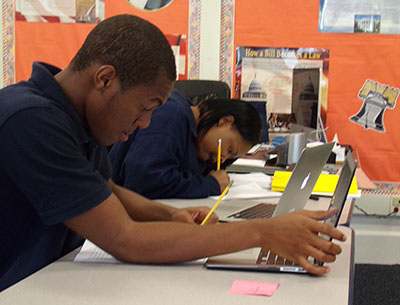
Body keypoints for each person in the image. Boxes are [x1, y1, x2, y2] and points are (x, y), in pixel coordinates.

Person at [0, 14, 345, 291]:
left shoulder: (76, 119)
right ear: (104, 79)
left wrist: (166, 216)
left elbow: (105, 188)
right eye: (144, 107)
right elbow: (126, 239)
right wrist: (264, 233)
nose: (147, 124)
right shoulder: (32, 120)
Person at [109, 89, 261, 199]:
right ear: (225, 122)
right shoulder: (171, 115)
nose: (221, 159)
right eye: (229, 149)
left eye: (229, 158)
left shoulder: (197, 140)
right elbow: (144, 180)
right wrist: (210, 185)